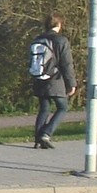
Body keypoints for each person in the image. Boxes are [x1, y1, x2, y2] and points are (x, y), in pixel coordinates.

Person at [30, 13, 76, 149]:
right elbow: (67, 64)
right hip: (55, 80)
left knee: (44, 108)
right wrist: (71, 83)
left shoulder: (37, 40)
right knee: (62, 107)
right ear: (59, 24)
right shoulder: (61, 40)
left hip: (39, 78)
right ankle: (46, 133)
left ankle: (38, 140)